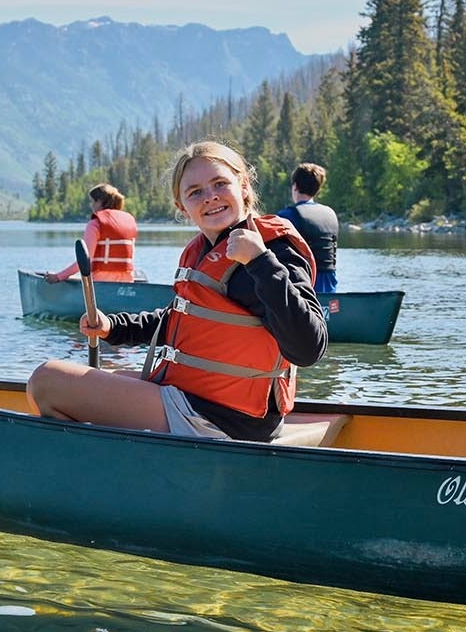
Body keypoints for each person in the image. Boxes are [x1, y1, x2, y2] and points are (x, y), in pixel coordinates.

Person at [26, 141, 327, 443]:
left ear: (244, 186)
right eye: (195, 192)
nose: (210, 197)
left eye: (220, 184)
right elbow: (180, 322)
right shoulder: (204, 251)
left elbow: (309, 347)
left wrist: (260, 262)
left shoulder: (273, 249)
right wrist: (113, 328)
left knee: (46, 381)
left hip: (224, 420)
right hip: (196, 403)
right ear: (182, 207)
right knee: (111, 379)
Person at [44, 183, 137, 283]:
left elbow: (84, 261)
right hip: (127, 281)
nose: (91, 205)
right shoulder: (130, 221)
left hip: (101, 283)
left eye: (91, 201)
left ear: (99, 201)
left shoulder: (95, 224)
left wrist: (58, 276)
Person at [275, 162, 339, 294]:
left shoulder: (287, 215)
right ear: (317, 189)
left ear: (295, 186)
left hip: (304, 287)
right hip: (330, 289)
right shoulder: (330, 214)